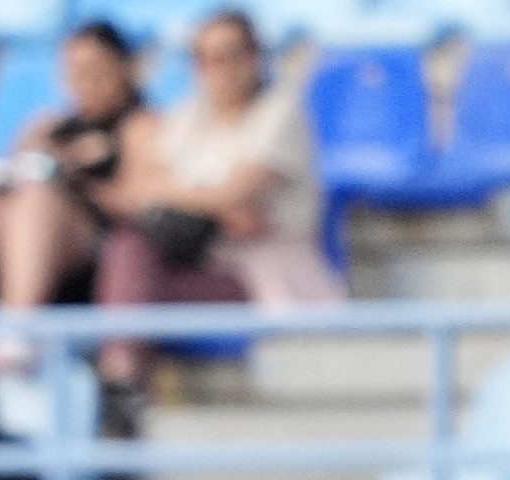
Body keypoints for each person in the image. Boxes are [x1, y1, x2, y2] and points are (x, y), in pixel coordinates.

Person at [92, 9, 340, 421]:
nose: (220, 69)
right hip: (202, 262)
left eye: (231, 55)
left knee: (130, 273)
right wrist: (209, 203)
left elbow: (231, 193)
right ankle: (122, 381)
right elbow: (142, 191)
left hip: (263, 279)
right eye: (207, 59)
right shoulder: (189, 115)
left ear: (255, 57)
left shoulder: (280, 113)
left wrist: (176, 193)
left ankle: (121, 382)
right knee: (129, 250)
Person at [0, 21, 150, 347]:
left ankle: (16, 335)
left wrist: (76, 176)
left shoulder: (141, 128)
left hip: (99, 248)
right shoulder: (49, 126)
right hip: (25, 241)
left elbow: (141, 206)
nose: (86, 82)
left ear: (123, 68)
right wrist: (32, 156)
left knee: (36, 202)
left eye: (96, 70)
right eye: (75, 72)